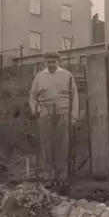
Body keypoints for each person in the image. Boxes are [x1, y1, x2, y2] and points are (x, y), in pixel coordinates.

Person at [28, 52, 79, 188]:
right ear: (45, 62)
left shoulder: (67, 76)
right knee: (46, 146)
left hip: (63, 113)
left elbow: (75, 96)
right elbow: (32, 97)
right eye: (48, 62)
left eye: (53, 62)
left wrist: (73, 115)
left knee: (63, 145)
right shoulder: (39, 77)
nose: (51, 65)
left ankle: (62, 177)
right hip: (45, 114)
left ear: (58, 62)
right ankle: (49, 177)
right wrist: (36, 110)